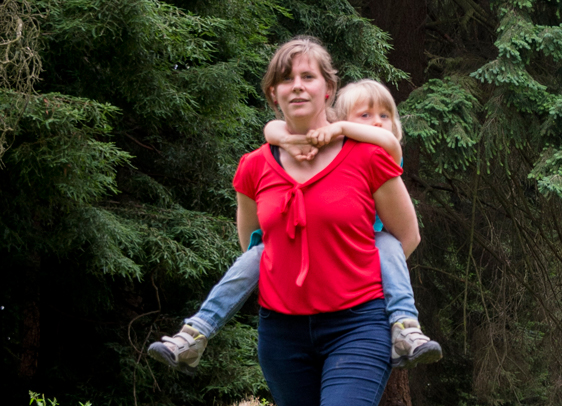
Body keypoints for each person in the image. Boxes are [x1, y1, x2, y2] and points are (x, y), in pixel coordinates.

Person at [147, 78, 441, 374]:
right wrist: (293, 139)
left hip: (363, 249)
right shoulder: (326, 149)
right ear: (337, 118)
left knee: (389, 244)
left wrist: (339, 127)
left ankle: (405, 326)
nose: (377, 123)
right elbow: (272, 129)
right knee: (253, 255)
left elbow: (390, 142)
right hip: (294, 254)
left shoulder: (382, 152)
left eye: (384, 115)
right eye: (365, 115)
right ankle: (196, 332)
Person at [237, 36, 415, 406]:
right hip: (282, 332)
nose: (297, 85)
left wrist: (350, 281)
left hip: (357, 325)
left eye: (307, 76)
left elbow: (407, 236)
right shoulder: (254, 166)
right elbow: (252, 243)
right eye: (286, 78)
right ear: (273, 94)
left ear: (327, 90)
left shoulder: (368, 156)